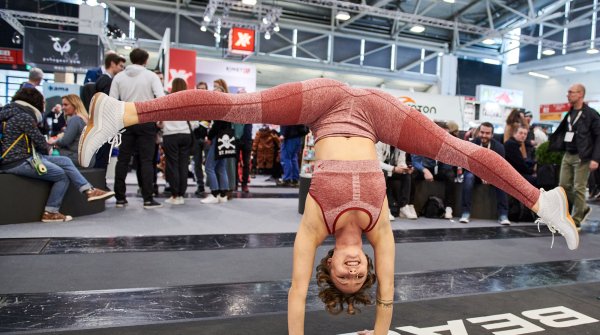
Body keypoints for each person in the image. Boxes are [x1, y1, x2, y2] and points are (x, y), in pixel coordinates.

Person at [78, 78, 579, 334]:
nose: (355, 268)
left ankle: (121, 111)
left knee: (238, 107)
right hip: (378, 116)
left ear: (332, 264)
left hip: (325, 104)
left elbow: (296, 292)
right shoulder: (380, 228)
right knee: (462, 151)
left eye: (345, 273)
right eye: (360, 275)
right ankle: (545, 200)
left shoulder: (314, 224)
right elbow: (388, 296)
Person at [0, 88, 113, 222]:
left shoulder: (9, 114)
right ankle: (50, 212)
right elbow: (41, 142)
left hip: (17, 158)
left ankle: (89, 190)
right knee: (61, 175)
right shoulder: (23, 116)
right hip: (19, 161)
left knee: (64, 160)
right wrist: (47, 146)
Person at [109, 48, 164, 209]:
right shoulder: (151, 76)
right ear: (146, 60)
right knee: (146, 160)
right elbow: (160, 99)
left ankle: (120, 198)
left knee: (123, 160)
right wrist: (159, 119)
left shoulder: (119, 77)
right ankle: (148, 198)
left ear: (131, 59)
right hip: (146, 120)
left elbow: (112, 101)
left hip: (127, 119)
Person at [550, 83, 600, 229]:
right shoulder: (570, 113)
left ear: (580, 94)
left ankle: (576, 218)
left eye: (571, 92)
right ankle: (583, 208)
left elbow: (599, 137)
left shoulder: (591, 114)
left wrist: (596, 159)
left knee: (579, 187)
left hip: (583, 156)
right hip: (568, 153)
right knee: (563, 186)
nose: (568, 94)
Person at [459, 122, 509, 225]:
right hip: (474, 173)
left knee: (502, 181)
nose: (484, 135)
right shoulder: (472, 144)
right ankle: (465, 212)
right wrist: (481, 174)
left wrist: (489, 176)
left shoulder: (499, 147)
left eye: (487, 133)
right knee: (468, 178)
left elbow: (500, 168)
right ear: (479, 132)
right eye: (482, 132)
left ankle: (503, 214)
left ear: (492, 135)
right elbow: (469, 164)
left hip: (492, 175)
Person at [160, 78, 193, 205]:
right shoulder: (189, 101)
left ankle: (174, 195)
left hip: (171, 135)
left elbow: (161, 122)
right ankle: (181, 194)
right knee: (183, 165)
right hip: (185, 134)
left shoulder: (167, 100)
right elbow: (194, 121)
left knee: (172, 165)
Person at [201, 81, 233, 204]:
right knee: (221, 167)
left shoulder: (218, 108)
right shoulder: (228, 107)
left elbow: (216, 126)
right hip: (226, 140)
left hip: (217, 139)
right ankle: (223, 195)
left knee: (209, 167)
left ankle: (214, 194)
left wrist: (209, 137)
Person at [376, 142, 417, 220]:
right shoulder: (379, 143)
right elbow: (377, 163)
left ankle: (403, 206)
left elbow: (401, 162)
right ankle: (384, 209)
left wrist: (406, 169)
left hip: (392, 170)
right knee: (383, 173)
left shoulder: (401, 145)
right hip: (380, 169)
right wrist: (393, 169)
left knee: (406, 175)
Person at [47, 95, 88, 165]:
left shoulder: (75, 119)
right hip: (85, 158)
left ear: (75, 105)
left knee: (48, 154)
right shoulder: (85, 118)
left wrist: (53, 141)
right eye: (62, 105)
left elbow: (65, 141)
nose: (63, 108)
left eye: (66, 105)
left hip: (76, 157)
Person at [192, 81, 209, 196]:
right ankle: (200, 186)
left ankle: (213, 186)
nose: (202, 90)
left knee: (210, 164)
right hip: (196, 138)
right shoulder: (193, 104)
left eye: (204, 88)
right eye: (200, 88)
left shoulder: (210, 104)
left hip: (208, 138)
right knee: (196, 164)